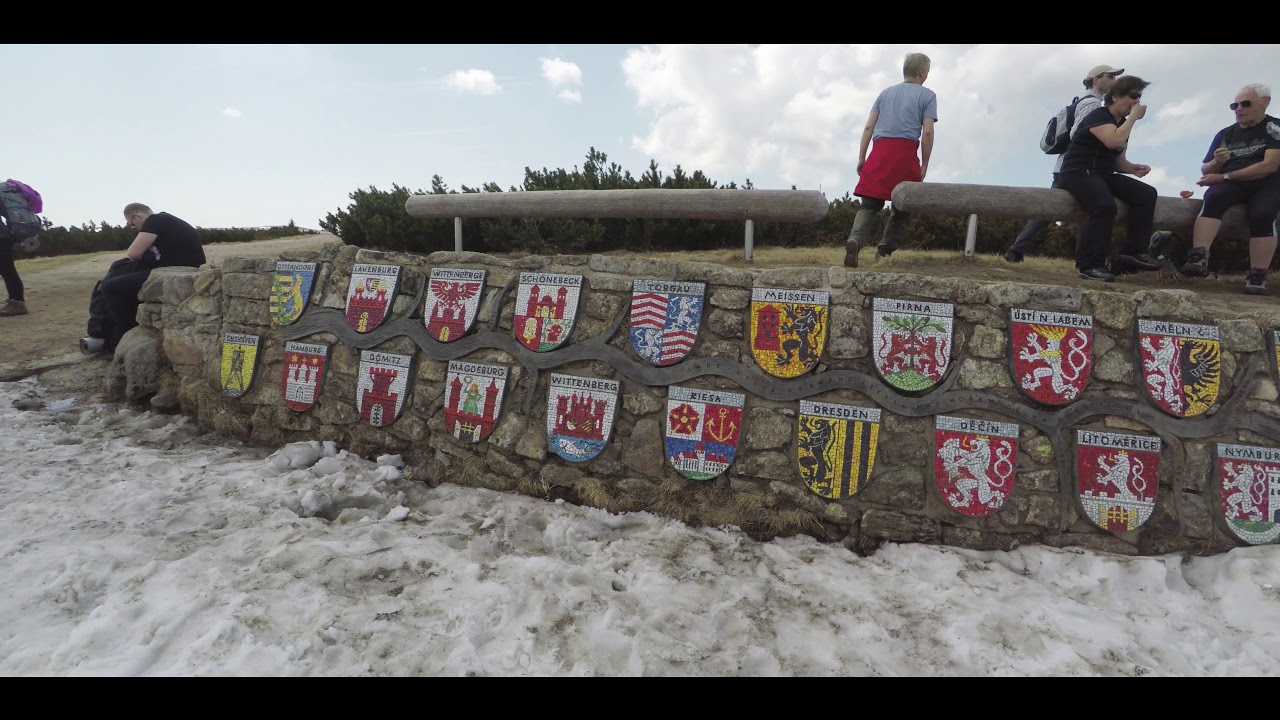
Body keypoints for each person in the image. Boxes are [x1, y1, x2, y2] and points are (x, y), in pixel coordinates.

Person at [1004, 65, 1123, 263]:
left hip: (1065, 167)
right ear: (1096, 79)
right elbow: (1079, 134)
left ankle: (1016, 249)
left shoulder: (1083, 101)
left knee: (1048, 211)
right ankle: (1083, 260)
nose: (1115, 81)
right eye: (1110, 77)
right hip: (1076, 167)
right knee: (1089, 209)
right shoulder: (1092, 104)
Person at [1056, 75, 1163, 282]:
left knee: (1146, 194)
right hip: (1077, 171)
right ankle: (1090, 265)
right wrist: (1132, 119)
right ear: (1114, 96)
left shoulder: (1122, 123)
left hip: (1102, 174)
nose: (1137, 102)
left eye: (1139, 97)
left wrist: (1132, 168)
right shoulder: (1099, 115)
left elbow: (1117, 160)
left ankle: (1134, 252)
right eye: (1133, 96)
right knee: (1104, 206)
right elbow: (1112, 141)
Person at [1180, 83, 1280, 295]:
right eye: (1234, 105)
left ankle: (1257, 276)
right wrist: (1216, 162)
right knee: (1214, 197)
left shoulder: (1275, 128)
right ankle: (1199, 257)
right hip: (1232, 183)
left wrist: (1224, 175)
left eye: (1245, 104)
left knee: (1263, 214)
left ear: (1265, 103)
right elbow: (1205, 167)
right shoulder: (1225, 133)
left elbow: (1270, 165)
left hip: (1267, 183)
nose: (1238, 109)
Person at [844, 52, 937, 268]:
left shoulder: (884, 94)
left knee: (868, 206)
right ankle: (883, 253)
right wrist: (925, 163)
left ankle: (855, 241)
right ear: (922, 71)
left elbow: (868, 127)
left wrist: (862, 157)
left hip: (879, 151)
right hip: (905, 154)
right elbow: (928, 133)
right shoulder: (927, 96)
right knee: (901, 208)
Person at [100, 203, 206, 350]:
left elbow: (133, 253)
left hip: (178, 272)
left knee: (110, 288)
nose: (135, 228)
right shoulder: (167, 220)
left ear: (137, 215)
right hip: (186, 270)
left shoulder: (155, 220)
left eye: (132, 224)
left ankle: (129, 336)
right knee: (126, 280)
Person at [0, 215, 25, 316]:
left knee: (8, 271)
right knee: (7, 271)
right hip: (4, 235)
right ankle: (15, 302)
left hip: (1, 237)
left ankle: (18, 304)